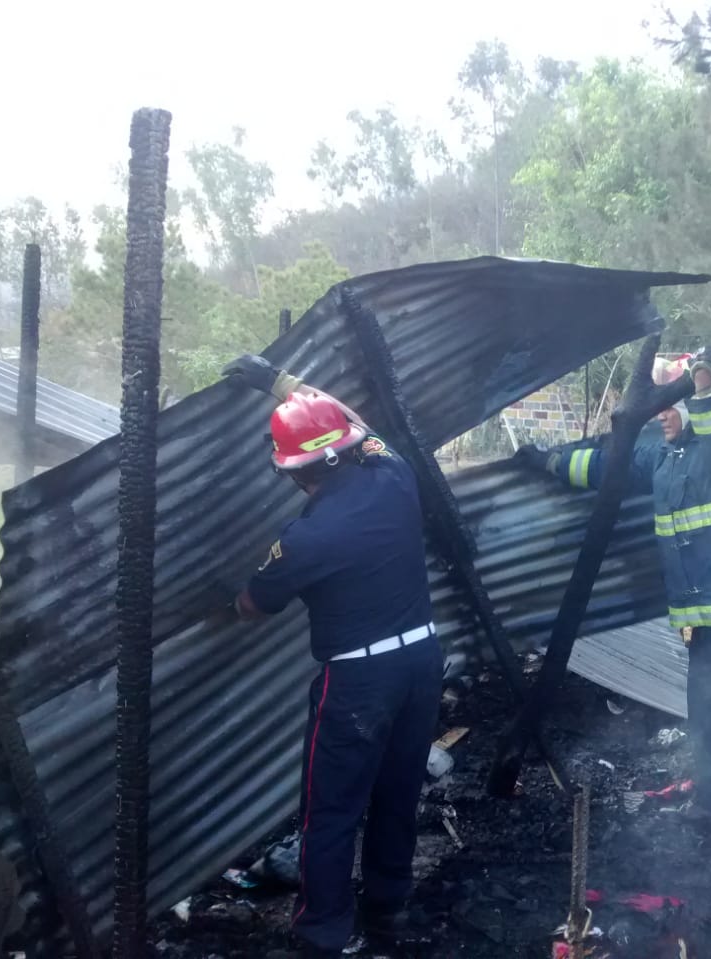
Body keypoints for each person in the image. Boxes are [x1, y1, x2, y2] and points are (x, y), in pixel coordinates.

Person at [220, 354, 443, 959]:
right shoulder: (393, 476)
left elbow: (251, 607)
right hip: (423, 662)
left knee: (331, 812)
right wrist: (281, 382)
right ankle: (386, 914)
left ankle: (322, 935)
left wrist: (225, 596)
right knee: (398, 792)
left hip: (359, 685)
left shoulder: (304, 541)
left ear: (293, 474)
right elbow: (357, 422)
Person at [518, 345, 711, 829]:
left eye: (670, 406)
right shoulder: (667, 456)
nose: (662, 416)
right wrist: (548, 462)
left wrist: (699, 382)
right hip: (701, 608)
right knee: (704, 709)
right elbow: (606, 468)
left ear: (697, 407)